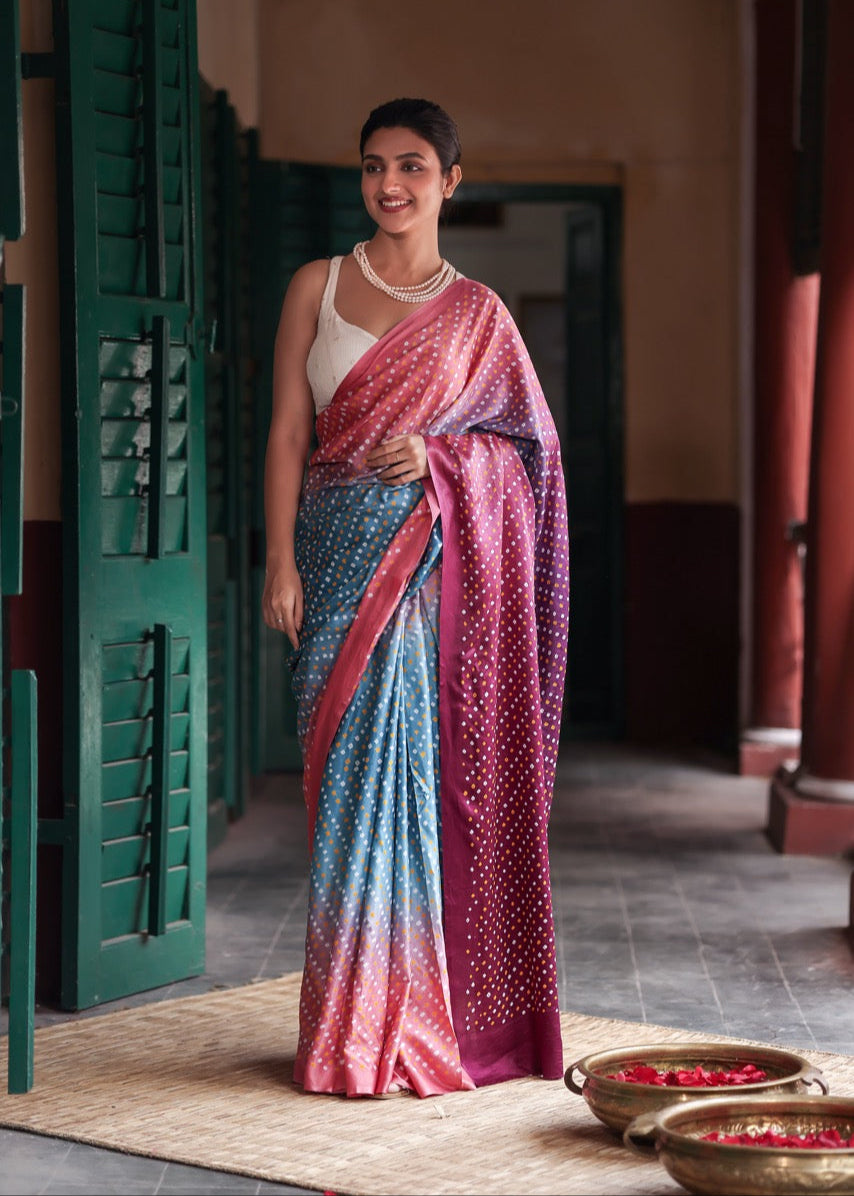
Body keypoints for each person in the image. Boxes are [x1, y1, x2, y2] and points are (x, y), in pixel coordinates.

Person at [262, 97, 570, 1099]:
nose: (387, 185)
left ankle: (405, 1024)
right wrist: (279, 560)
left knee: (405, 792)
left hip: (427, 585)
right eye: (370, 167)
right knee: (339, 796)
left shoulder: (478, 315)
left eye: (409, 166)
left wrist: (440, 457)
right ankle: (346, 1026)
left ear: (450, 179)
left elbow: (530, 458)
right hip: (330, 558)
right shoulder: (315, 283)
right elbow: (284, 432)